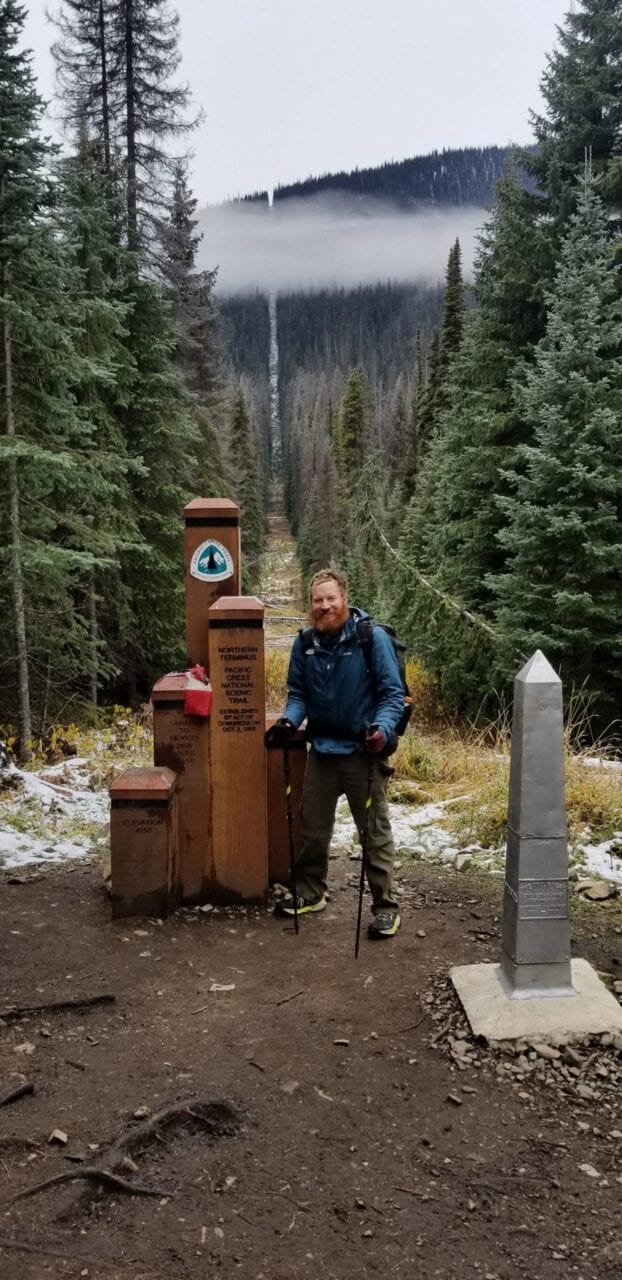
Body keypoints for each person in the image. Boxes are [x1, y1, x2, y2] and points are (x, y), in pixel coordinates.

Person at [266, 568, 404, 939]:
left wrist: (382, 729)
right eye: (318, 600)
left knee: (373, 832)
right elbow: (298, 695)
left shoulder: (370, 638)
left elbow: (393, 694)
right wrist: (287, 723)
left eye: (331, 598)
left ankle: (386, 907)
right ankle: (311, 892)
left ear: (344, 598)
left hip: (363, 752)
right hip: (322, 751)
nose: (325, 606)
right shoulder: (306, 643)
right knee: (312, 829)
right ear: (311, 604)